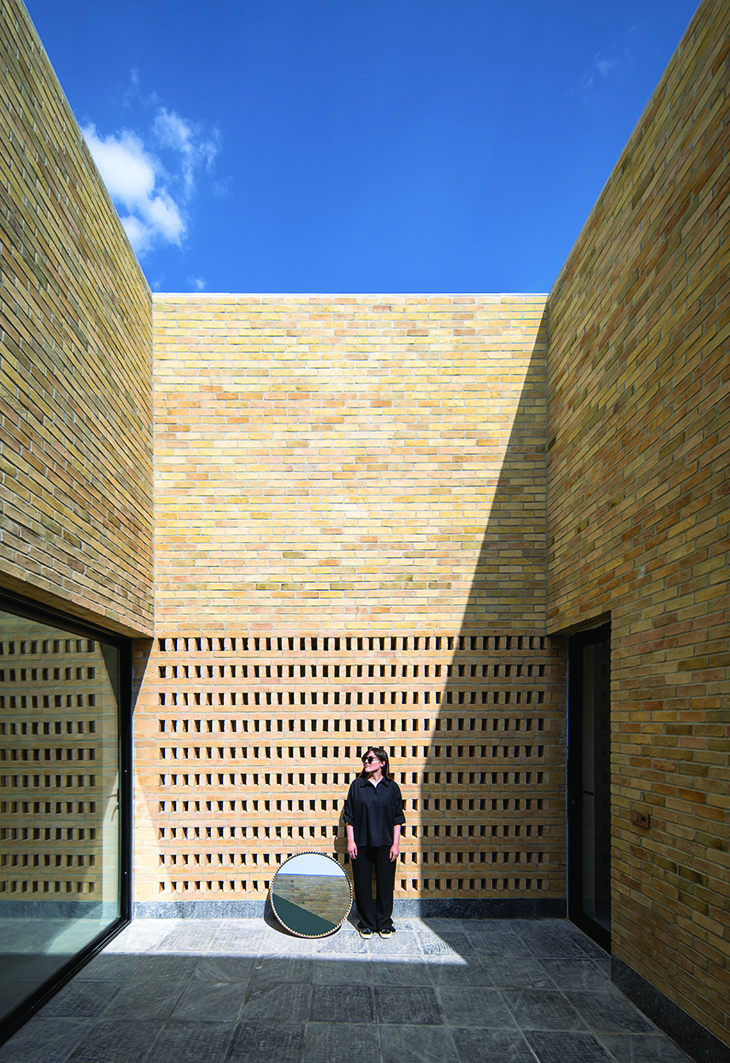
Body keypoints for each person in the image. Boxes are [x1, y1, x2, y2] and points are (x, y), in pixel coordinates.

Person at [343, 746, 405, 939]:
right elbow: (349, 816)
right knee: (362, 884)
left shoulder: (392, 787)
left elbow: (397, 818)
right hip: (361, 843)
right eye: (365, 759)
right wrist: (351, 841)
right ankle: (367, 923)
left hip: (386, 843)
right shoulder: (357, 786)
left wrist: (395, 844)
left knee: (385, 884)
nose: (366, 762)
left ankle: (384, 922)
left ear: (382, 763)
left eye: (370, 759)